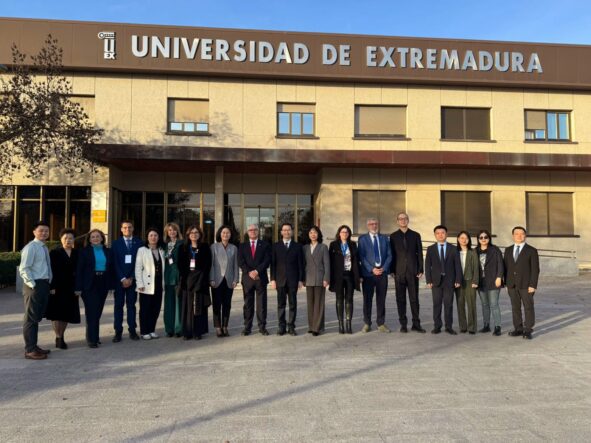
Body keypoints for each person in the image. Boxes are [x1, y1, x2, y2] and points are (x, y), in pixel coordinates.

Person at [19, 220, 53, 360]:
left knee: (36, 317)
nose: (44, 233)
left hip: (43, 284)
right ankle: (30, 350)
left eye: (46, 230)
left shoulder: (43, 247)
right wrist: (33, 285)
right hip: (34, 285)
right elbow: (24, 268)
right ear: (34, 232)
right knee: (31, 318)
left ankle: (34, 345)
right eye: (41, 230)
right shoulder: (31, 247)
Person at [75, 229, 114, 348]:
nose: (95, 238)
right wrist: (78, 287)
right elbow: (79, 270)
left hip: (103, 283)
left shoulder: (108, 251)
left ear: (102, 238)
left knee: (97, 311)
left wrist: (111, 286)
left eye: (98, 236)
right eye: (93, 237)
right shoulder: (84, 252)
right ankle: (91, 339)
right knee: (92, 312)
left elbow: (111, 269)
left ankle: (95, 337)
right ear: (89, 239)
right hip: (89, 284)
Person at [389, 212, 426, 333]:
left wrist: (421, 269)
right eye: (400, 219)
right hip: (399, 272)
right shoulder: (393, 236)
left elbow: (419, 253)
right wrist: (391, 270)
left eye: (405, 219)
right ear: (397, 221)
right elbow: (392, 255)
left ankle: (416, 323)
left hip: (413, 271)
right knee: (400, 299)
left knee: (414, 298)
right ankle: (403, 324)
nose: (403, 221)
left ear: (408, 220)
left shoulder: (415, 235)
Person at [46, 228, 80, 349]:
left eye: (70, 238)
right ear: (61, 239)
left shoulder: (77, 253)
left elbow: (79, 272)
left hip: (71, 288)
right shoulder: (54, 253)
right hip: (57, 288)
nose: (68, 240)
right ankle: (58, 337)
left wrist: (78, 288)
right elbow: (50, 271)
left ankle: (62, 335)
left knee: (66, 313)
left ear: (73, 240)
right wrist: (52, 286)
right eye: (65, 238)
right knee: (57, 314)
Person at [504, 226, 540, 340]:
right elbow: (506, 267)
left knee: (528, 307)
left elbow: (535, 269)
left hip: (526, 285)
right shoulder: (508, 250)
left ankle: (528, 329)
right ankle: (518, 328)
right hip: (511, 285)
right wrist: (506, 283)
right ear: (513, 235)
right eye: (516, 234)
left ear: (525, 235)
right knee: (515, 307)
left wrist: (533, 285)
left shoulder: (531, 250)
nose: (519, 236)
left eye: (522, 234)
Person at [425, 225, 462, 335]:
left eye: (443, 233)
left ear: (446, 234)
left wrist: (458, 279)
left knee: (448, 304)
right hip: (436, 281)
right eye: (438, 233)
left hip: (449, 281)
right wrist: (428, 280)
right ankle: (437, 326)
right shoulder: (431, 249)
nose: (440, 235)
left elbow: (457, 265)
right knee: (436, 304)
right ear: (435, 235)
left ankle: (449, 327)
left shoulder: (453, 248)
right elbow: (427, 265)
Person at [357, 218, 392, 333]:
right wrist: (371, 269)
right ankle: (367, 323)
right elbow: (361, 256)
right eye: (371, 224)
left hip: (382, 273)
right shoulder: (362, 239)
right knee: (367, 299)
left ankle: (381, 323)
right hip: (368, 274)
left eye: (376, 224)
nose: (374, 226)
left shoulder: (385, 238)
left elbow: (389, 255)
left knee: (381, 299)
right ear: (367, 226)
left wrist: (384, 268)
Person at [178, 225, 212, 340]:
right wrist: (188, 277)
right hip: (187, 280)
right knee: (187, 306)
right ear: (188, 235)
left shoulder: (205, 247)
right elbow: (180, 265)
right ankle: (187, 331)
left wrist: (200, 277)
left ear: (200, 234)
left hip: (200, 281)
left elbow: (207, 264)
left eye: (196, 232)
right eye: (192, 232)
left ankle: (198, 331)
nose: (194, 234)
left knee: (199, 306)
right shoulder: (183, 247)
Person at [111, 220, 143, 342]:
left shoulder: (139, 243)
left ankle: (132, 330)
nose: (127, 229)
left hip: (132, 280)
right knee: (118, 306)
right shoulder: (115, 243)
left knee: (131, 306)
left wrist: (131, 277)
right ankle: (118, 331)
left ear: (133, 228)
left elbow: (139, 262)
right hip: (119, 281)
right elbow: (115, 263)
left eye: (129, 227)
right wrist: (123, 278)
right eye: (125, 228)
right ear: (121, 229)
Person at [271, 222, 305, 336]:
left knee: (292, 304)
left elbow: (301, 264)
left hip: (293, 280)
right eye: (284, 230)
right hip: (280, 280)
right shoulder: (275, 246)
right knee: (281, 304)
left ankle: (291, 326)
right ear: (281, 232)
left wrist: (301, 279)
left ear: (291, 231)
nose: (286, 232)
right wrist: (273, 279)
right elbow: (273, 264)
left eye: (288, 230)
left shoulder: (297, 246)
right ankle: (281, 326)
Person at [238, 224, 271, 336]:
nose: (252, 231)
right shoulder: (242, 246)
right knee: (248, 304)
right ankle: (247, 327)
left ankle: (262, 327)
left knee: (262, 304)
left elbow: (267, 260)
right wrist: (250, 272)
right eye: (250, 230)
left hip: (260, 278)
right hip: (247, 279)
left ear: (258, 232)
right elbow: (241, 261)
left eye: (255, 230)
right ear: (247, 232)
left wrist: (257, 271)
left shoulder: (265, 245)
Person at [328, 225, 360, 334]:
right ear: (339, 233)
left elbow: (357, 260)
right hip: (338, 276)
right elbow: (330, 263)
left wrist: (358, 276)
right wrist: (329, 277)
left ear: (349, 234)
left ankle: (348, 324)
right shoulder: (333, 245)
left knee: (349, 299)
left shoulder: (353, 244)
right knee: (339, 299)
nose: (344, 234)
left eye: (346, 232)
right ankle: (340, 324)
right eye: (342, 232)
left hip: (350, 275)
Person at [135, 228, 165, 340]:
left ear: (158, 237)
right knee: (145, 309)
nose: (153, 237)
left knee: (156, 308)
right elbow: (138, 268)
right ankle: (144, 331)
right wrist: (139, 283)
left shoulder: (161, 250)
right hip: (146, 284)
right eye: (151, 235)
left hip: (158, 283)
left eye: (155, 235)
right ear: (147, 237)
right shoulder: (142, 250)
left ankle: (152, 330)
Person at [209, 225, 239, 338]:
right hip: (216, 280)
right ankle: (218, 327)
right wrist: (211, 278)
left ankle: (225, 326)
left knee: (227, 304)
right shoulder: (214, 247)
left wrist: (236, 279)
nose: (225, 235)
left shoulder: (234, 248)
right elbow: (211, 264)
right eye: (223, 233)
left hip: (229, 280)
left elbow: (236, 265)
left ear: (230, 235)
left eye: (227, 233)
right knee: (217, 304)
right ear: (220, 234)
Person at [475, 230, 504, 336]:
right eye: (481, 237)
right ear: (478, 239)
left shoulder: (495, 250)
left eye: (485, 237)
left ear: (489, 238)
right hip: (480, 282)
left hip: (493, 281)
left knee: (494, 304)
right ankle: (486, 325)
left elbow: (500, 264)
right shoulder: (475, 251)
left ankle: (497, 327)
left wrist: (499, 277)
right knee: (484, 304)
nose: (483, 239)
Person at [303, 226, 330, 336]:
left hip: (320, 278)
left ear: (318, 234)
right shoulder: (304, 248)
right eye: (311, 232)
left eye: (315, 233)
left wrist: (326, 278)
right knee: (310, 304)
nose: (313, 234)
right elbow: (303, 264)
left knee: (319, 304)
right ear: (308, 235)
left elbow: (327, 264)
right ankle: (311, 326)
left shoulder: (323, 247)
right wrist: (302, 279)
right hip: (308, 278)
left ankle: (317, 327)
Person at [455, 231, 479, 334]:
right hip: (458, 282)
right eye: (462, 238)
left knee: (471, 304)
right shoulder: (454, 251)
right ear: (458, 239)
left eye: (466, 238)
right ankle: (463, 326)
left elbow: (476, 268)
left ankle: (472, 327)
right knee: (460, 304)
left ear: (469, 240)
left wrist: (475, 281)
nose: (464, 240)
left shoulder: (472, 252)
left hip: (470, 281)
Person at [163, 223, 183, 337]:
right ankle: (169, 329)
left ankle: (178, 328)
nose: (172, 232)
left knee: (178, 303)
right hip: (167, 277)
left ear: (177, 231)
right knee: (169, 304)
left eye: (174, 230)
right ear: (167, 232)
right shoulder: (164, 245)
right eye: (169, 230)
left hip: (178, 277)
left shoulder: (182, 244)